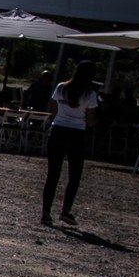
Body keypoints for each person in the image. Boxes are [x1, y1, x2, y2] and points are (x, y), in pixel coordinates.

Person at [43, 60, 99, 226]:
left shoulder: (61, 87)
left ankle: (45, 212)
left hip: (58, 130)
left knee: (53, 174)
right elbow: (90, 121)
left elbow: (53, 110)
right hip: (76, 134)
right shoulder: (90, 94)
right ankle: (66, 210)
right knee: (74, 175)